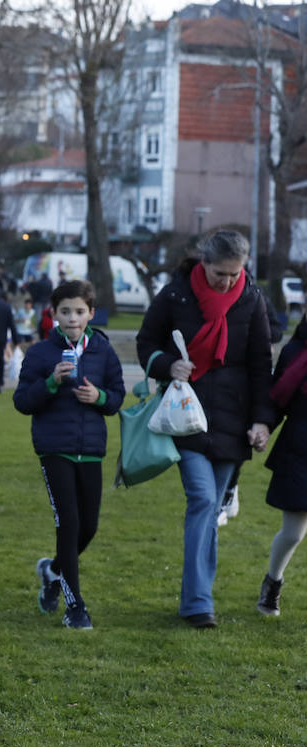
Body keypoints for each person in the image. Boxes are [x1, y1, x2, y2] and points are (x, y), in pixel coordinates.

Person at [136, 229, 274, 628]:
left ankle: (196, 598)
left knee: (211, 506)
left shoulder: (252, 299)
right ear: (203, 262)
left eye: (235, 274)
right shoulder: (176, 294)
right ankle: (198, 603)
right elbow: (147, 343)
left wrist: (262, 420)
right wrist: (167, 365)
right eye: (220, 273)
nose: (227, 281)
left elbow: (260, 364)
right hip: (185, 414)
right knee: (201, 499)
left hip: (233, 418)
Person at [13, 280, 125, 630]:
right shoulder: (40, 354)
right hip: (55, 449)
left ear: (91, 313)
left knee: (88, 527)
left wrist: (101, 398)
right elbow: (22, 401)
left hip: (91, 451)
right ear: (54, 314)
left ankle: (54, 571)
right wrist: (50, 383)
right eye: (65, 311)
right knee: (69, 522)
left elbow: (118, 396)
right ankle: (75, 607)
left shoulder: (103, 351)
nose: (73, 318)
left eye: (79, 311)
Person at [256, 317, 307, 616]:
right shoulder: (295, 351)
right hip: (299, 448)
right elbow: (278, 400)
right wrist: (263, 427)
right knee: (293, 532)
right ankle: (272, 583)